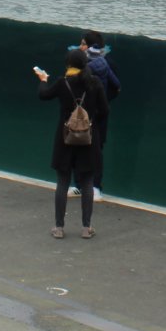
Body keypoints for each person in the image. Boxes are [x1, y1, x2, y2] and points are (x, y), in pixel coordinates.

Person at [35, 47, 108, 239]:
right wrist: (89, 121)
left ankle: (59, 227)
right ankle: (86, 228)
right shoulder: (95, 83)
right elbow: (105, 110)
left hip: (65, 139)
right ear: (85, 63)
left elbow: (43, 95)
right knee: (87, 182)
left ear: (68, 64)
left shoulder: (63, 82)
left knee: (63, 182)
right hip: (88, 140)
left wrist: (43, 80)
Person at [73, 32, 121, 200]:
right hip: (82, 113)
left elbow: (116, 88)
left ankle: (95, 186)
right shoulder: (79, 62)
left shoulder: (107, 63)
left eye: (83, 44)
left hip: (97, 115)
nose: (80, 47)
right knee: (78, 147)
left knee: (96, 150)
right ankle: (78, 185)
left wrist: (101, 102)